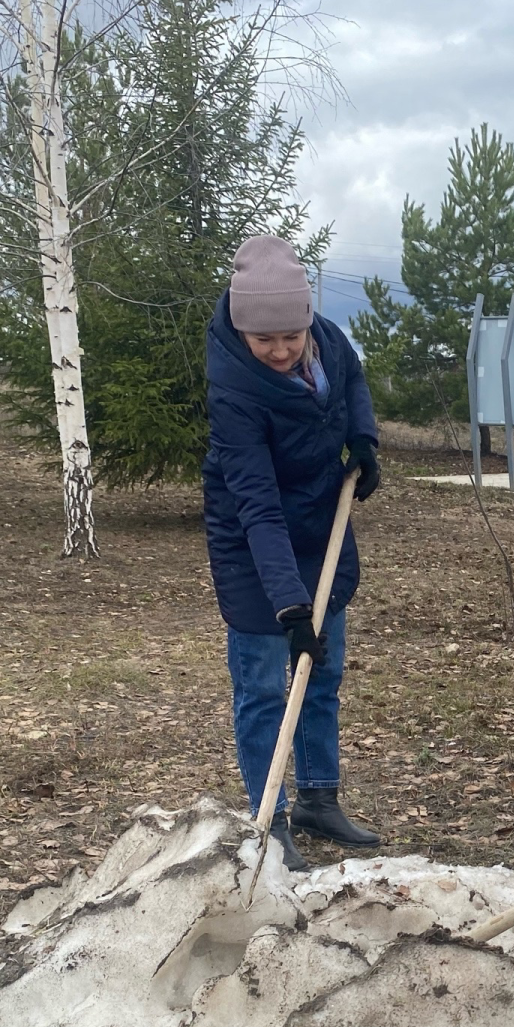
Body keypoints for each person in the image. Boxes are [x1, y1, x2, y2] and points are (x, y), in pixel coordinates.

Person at [204, 234, 383, 869]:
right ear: (244, 330)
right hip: (253, 543)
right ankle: (270, 819)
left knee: (322, 673)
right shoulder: (233, 390)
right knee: (263, 686)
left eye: (291, 337)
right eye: (265, 341)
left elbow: (353, 379)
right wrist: (288, 610)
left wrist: (362, 440)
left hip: (318, 522)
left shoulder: (326, 340)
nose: (281, 351)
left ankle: (317, 798)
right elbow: (255, 504)